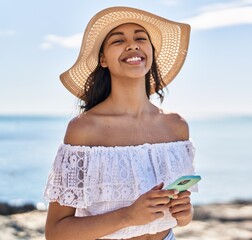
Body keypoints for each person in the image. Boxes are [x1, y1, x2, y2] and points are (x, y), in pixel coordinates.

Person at [43, 6, 197, 240]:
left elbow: (181, 216)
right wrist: (128, 216)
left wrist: (185, 214)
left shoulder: (176, 127)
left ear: (151, 52)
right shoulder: (84, 130)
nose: (133, 44)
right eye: (118, 40)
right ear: (103, 59)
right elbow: (56, 233)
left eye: (140, 38)